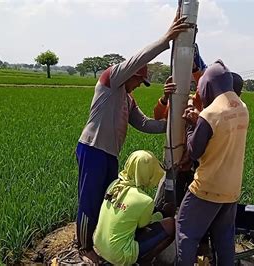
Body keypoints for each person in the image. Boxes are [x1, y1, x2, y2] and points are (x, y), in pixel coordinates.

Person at [75, 12, 191, 262]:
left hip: (110, 155)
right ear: (131, 75)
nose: (140, 85)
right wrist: (165, 39)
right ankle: (84, 246)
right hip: (93, 149)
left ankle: (100, 238)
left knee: (105, 199)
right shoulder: (111, 80)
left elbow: (146, 124)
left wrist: (174, 125)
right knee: (89, 198)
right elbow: (138, 58)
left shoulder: (128, 98)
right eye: (140, 80)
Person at [175, 61, 249, 265]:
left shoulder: (210, 114)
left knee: (186, 231)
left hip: (207, 187)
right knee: (224, 237)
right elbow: (221, 135)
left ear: (208, 85)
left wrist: (192, 125)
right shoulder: (242, 108)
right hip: (231, 189)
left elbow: (194, 150)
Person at [93, 150, 175, 265]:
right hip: (119, 255)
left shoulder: (115, 184)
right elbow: (143, 225)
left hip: (100, 246)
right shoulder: (144, 200)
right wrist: (163, 213)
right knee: (171, 225)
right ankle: (142, 261)